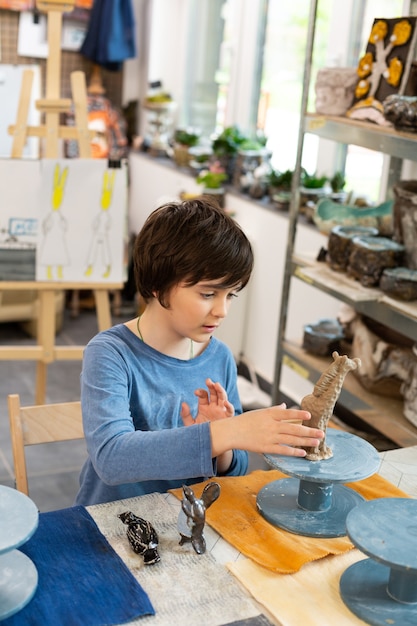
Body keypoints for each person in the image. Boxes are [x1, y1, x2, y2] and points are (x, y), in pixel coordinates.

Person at [75, 198, 323, 506]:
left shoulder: (219, 357)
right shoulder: (110, 353)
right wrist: (222, 433)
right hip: (109, 523)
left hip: (185, 520)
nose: (222, 311)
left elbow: (234, 473)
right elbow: (112, 458)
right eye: (208, 294)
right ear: (158, 283)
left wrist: (222, 446)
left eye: (230, 295)